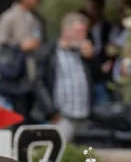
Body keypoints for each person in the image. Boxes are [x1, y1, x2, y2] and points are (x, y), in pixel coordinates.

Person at [0, 0, 46, 125]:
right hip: (14, 79)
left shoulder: (37, 18)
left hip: (32, 77)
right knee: (15, 117)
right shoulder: (9, 17)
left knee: (31, 117)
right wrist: (20, 47)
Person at [33, 12, 96, 143]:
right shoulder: (49, 52)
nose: (83, 36)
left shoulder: (84, 54)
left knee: (85, 154)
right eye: (79, 32)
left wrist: (91, 58)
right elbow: (38, 83)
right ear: (66, 31)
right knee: (58, 150)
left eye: (84, 32)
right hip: (62, 116)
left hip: (83, 115)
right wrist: (51, 111)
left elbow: (100, 77)